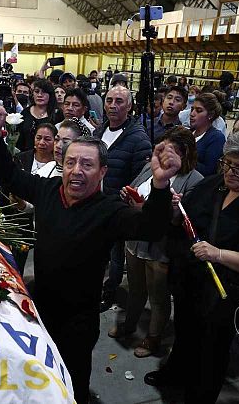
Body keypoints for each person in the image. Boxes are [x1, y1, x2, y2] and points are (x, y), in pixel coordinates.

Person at [0, 104, 178, 404]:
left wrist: (161, 184)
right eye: (71, 162)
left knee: (73, 379)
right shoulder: (47, 190)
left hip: (79, 318)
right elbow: (9, 176)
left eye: (87, 165)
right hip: (41, 308)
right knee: (39, 371)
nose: (76, 171)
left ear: (102, 172)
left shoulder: (109, 209)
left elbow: (151, 228)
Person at [144, 126, 239, 403]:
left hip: (226, 294)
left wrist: (218, 254)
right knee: (185, 332)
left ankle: (199, 395)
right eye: (227, 163)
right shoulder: (213, 184)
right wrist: (178, 213)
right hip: (190, 282)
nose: (230, 173)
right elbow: (187, 222)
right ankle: (175, 373)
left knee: (211, 351)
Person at [108, 126, 203, 358]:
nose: (162, 156)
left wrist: (173, 210)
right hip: (135, 241)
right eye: (160, 149)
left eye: (169, 151)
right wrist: (127, 196)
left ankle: (153, 337)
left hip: (161, 248)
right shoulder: (149, 168)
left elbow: (187, 221)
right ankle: (130, 323)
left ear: (184, 153)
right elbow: (135, 187)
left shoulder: (194, 180)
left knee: (158, 295)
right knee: (135, 289)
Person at [94, 85, 152, 311]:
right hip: (96, 202)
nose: (113, 106)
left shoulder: (138, 139)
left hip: (117, 208)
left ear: (129, 106)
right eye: (109, 100)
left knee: (116, 255)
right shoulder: (100, 130)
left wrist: (125, 202)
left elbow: (141, 178)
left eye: (119, 101)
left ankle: (109, 292)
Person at [15, 79, 60, 152]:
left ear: (50, 95)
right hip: (25, 156)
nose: (39, 95)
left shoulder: (57, 114)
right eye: (36, 91)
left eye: (44, 92)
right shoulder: (25, 112)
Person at [188, 92, 225, 176]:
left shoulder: (216, 138)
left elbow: (209, 171)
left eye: (199, 111)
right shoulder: (187, 133)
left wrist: (182, 158)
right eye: (192, 109)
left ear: (210, 115)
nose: (192, 114)